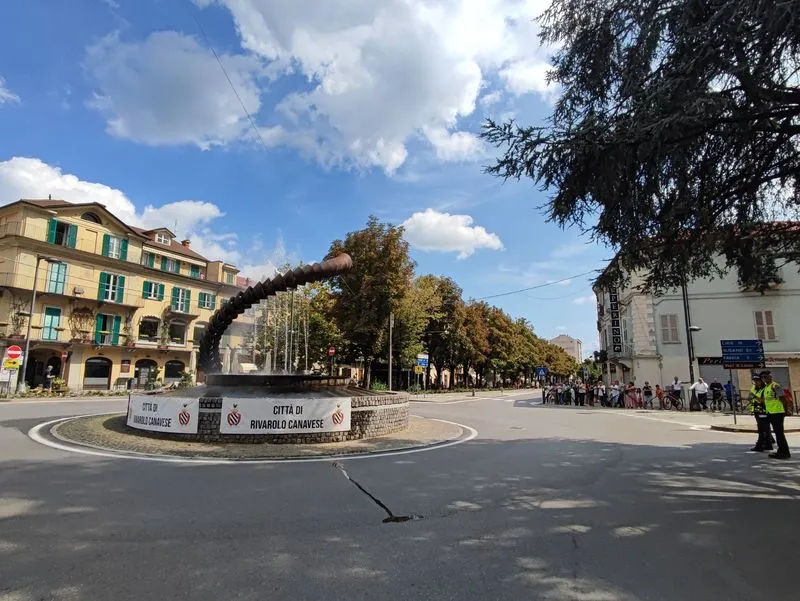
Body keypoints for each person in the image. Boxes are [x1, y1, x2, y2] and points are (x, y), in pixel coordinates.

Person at [760, 370, 791, 459]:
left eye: (766, 376)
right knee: (777, 433)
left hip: (778, 413)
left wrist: (786, 411)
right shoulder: (766, 387)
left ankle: (784, 453)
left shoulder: (775, 386)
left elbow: (783, 398)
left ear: (770, 377)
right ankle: (781, 451)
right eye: (763, 377)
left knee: (779, 433)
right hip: (770, 413)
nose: (764, 378)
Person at [749, 374, 771, 453]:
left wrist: (754, 396)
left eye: (757, 381)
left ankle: (760, 445)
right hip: (757, 411)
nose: (756, 382)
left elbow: (762, 400)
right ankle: (768, 444)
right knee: (764, 428)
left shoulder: (764, 389)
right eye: (754, 381)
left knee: (762, 429)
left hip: (763, 411)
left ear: (761, 381)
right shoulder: (756, 389)